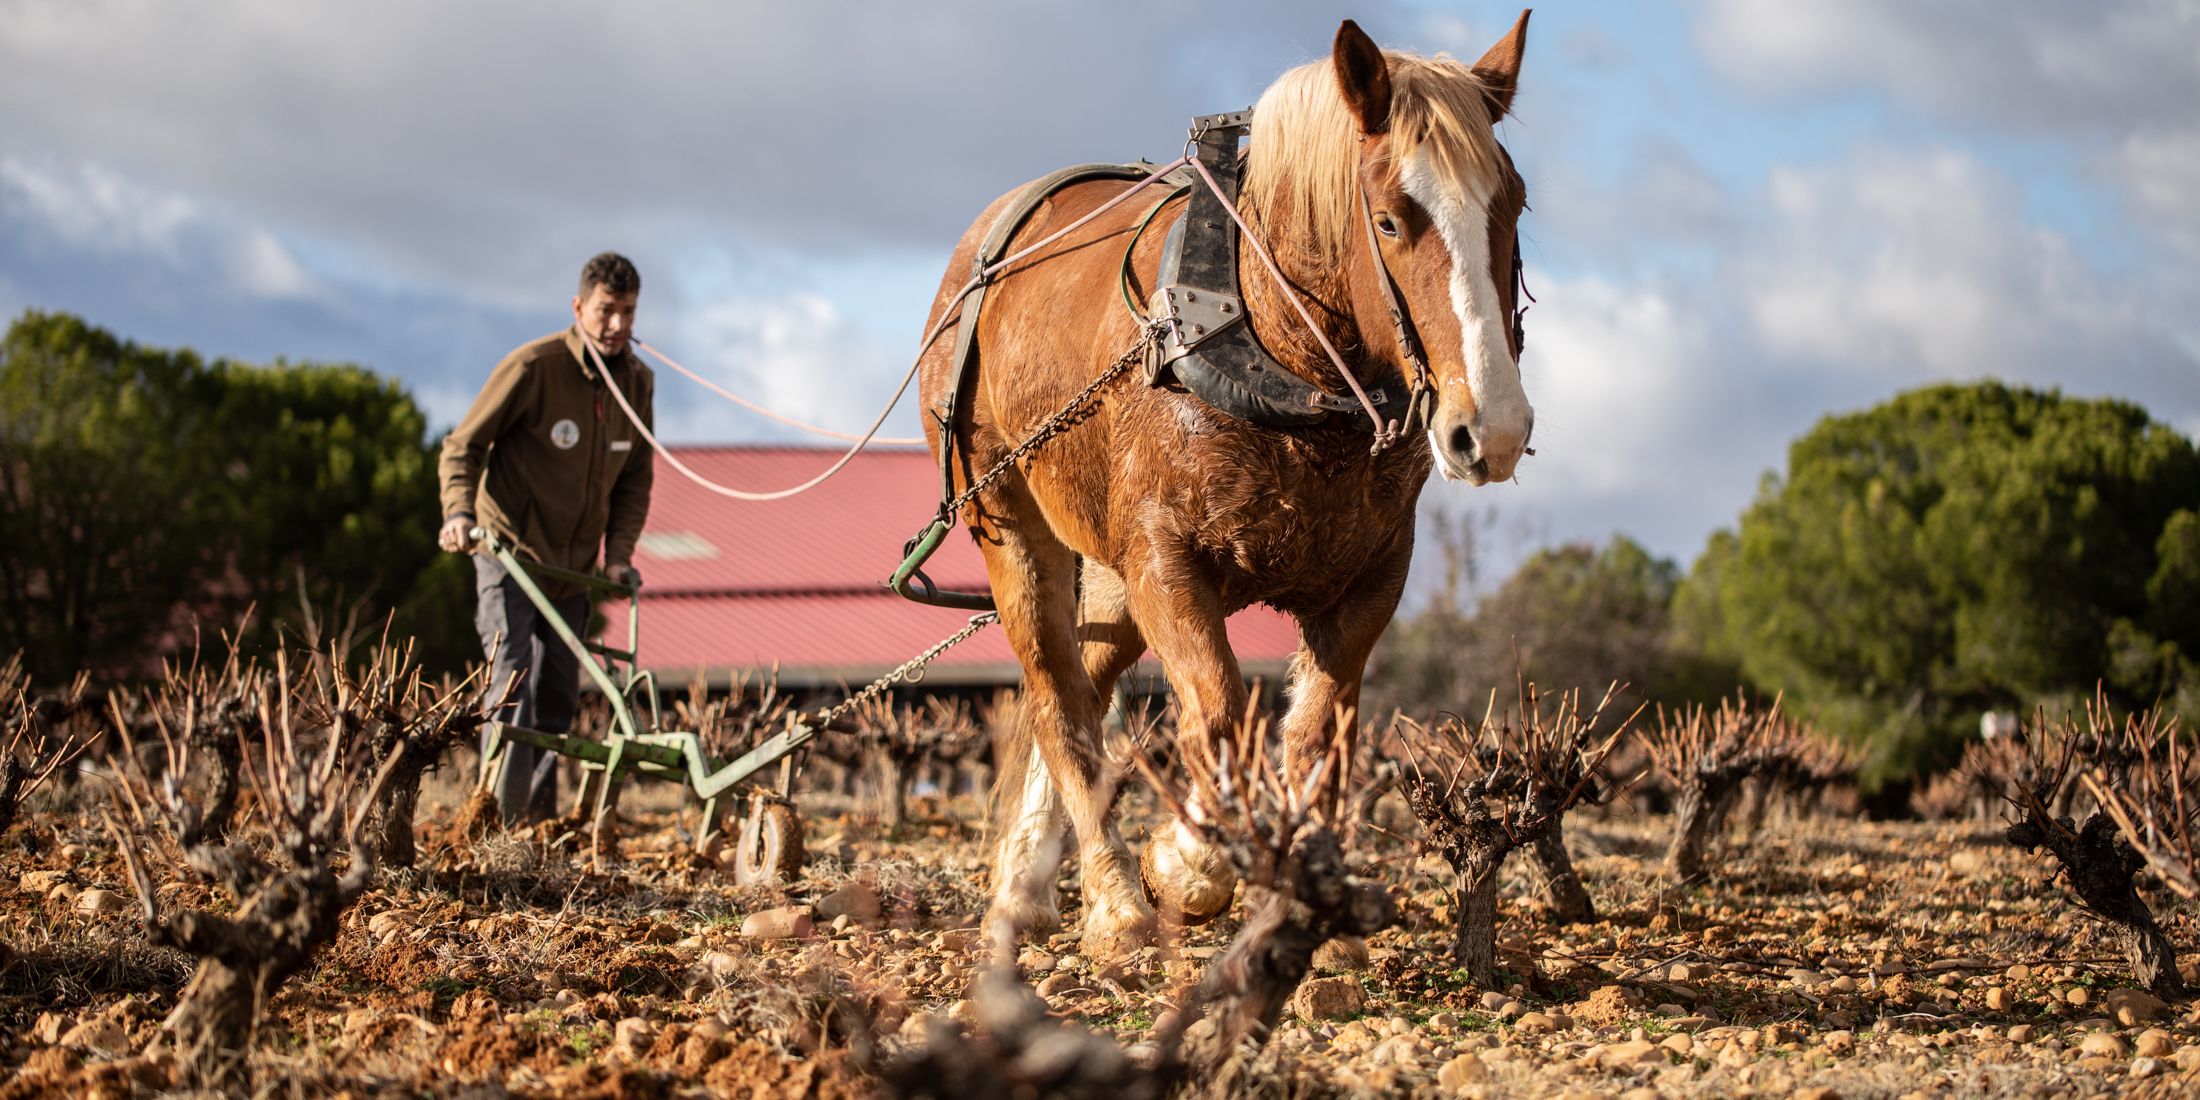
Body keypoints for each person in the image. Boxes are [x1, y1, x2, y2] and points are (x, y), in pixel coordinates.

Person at [437, 252, 655, 824]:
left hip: (573, 567)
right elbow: (462, 447)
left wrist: (620, 556)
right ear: (579, 307)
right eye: (606, 311)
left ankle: (536, 822)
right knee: (512, 682)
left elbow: (635, 477)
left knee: (559, 695)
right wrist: (458, 513)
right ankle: (493, 823)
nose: (616, 326)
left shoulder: (637, 381)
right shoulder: (533, 367)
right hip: (510, 551)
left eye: (627, 313)